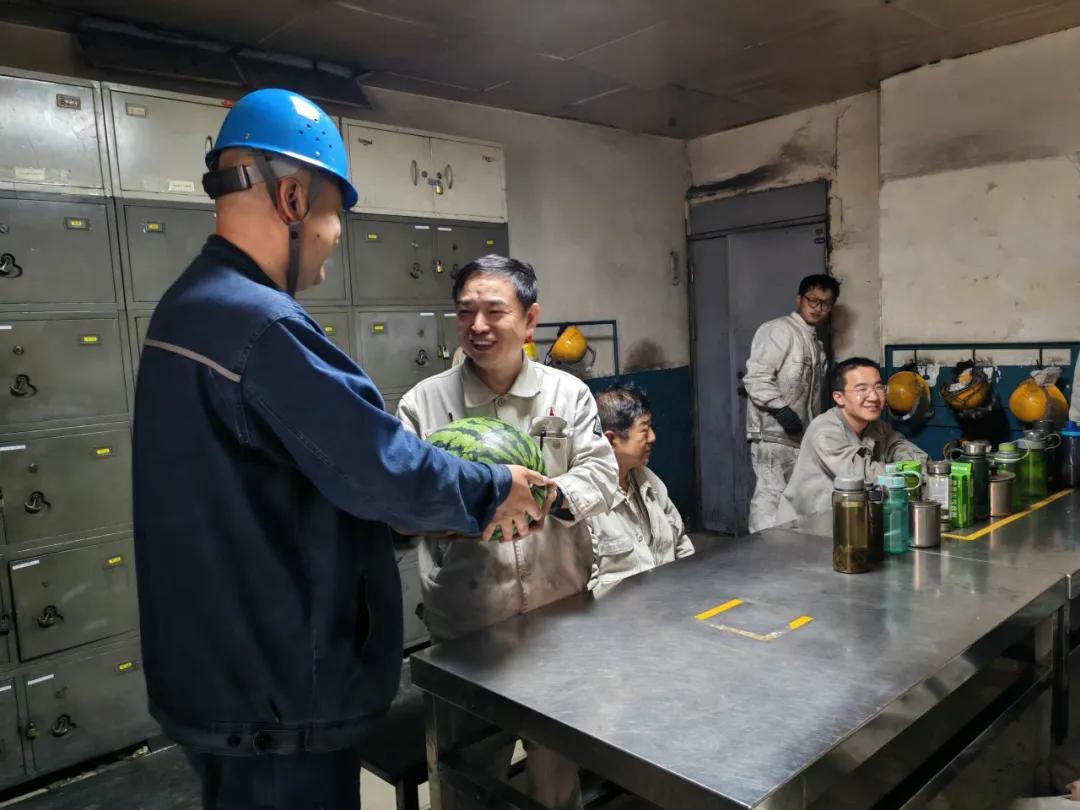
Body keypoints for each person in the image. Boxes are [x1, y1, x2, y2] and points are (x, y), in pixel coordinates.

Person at [132, 89, 551, 810]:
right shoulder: (263, 327)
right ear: (293, 199)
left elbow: (288, 486)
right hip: (276, 696)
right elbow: (382, 467)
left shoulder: (189, 307)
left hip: (224, 675)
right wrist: (490, 490)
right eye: (335, 215)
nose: (333, 237)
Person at [397, 254, 619, 810]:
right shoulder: (423, 404)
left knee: (555, 776)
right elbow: (402, 504)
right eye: (465, 312)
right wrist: (456, 512)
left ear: (530, 319)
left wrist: (542, 496)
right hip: (467, 625)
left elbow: (600, 475)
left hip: (557, 615)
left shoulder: (568, 394)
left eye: (494, 311)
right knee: (467, 776)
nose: (478, 326)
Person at [775, 357, 927, 524]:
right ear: (839, 397)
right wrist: (910, 473)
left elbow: (906, 450)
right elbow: (861, 476)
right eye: (861, 389)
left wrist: (914, 468)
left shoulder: (875, 426)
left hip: (847, 524)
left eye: (878, 387)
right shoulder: (824, 432)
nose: (874, 397)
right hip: (804, 528)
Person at [743, 274, 837, 532]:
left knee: (794, 501)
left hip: (799, 436)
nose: (818, 308)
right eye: (813, 300)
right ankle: (761, 550)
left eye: (826, 304)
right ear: (799, 299)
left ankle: (787, 552)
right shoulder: (779, 330)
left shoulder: (816, 344)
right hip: (772, 434)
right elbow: (756, 377)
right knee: (770, 498)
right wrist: (782, 410)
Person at [586, 385, 694, 594]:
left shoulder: (650, 482)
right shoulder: (587, 503)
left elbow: (682, 545)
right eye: (644, 430)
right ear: (611, 440)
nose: (652, 437)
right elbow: (588, 589)